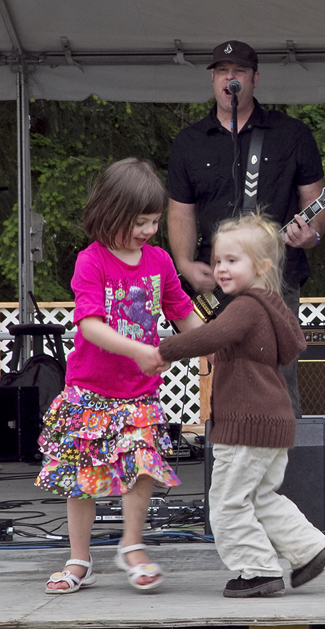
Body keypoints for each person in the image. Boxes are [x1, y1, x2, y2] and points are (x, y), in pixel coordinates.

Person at [36, 158, 203, 594]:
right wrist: (141, 351)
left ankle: (132, 545)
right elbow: (90, 325)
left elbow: (184, 315)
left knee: (142, 465)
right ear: (110, 213)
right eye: (139, 222)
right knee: (81, 477)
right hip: (89, 391)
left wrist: (217, 345)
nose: (149, 230)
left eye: (154, 221)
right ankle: (79, 559)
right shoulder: (91, 261)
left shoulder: (160, 261)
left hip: (139, 393)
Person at [157, 213, 325, 598]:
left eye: (232, 260)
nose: (221, 268)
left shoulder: (245, 307)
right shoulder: (271, 306)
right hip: (272, 424)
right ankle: (309, 549)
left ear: (262, 266)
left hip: (246, 426)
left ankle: (258, 571)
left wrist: (161, 351)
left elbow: (209, 336)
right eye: (218, 260)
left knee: (226, 503)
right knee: (260, 497)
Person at [165, 39, 325, 418]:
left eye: (238, 71)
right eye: (222, 71)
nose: (229, 78)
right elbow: (180, 212)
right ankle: (229, 444)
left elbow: (316, 200)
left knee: (278, 372)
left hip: (276, 275)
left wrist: (312, 233)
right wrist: (185, 264)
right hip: (218, 277)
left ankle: (286, 450)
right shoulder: (189, 142)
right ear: (212, 80)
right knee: (226, 369)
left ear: (254, 78)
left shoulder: (292, 134)